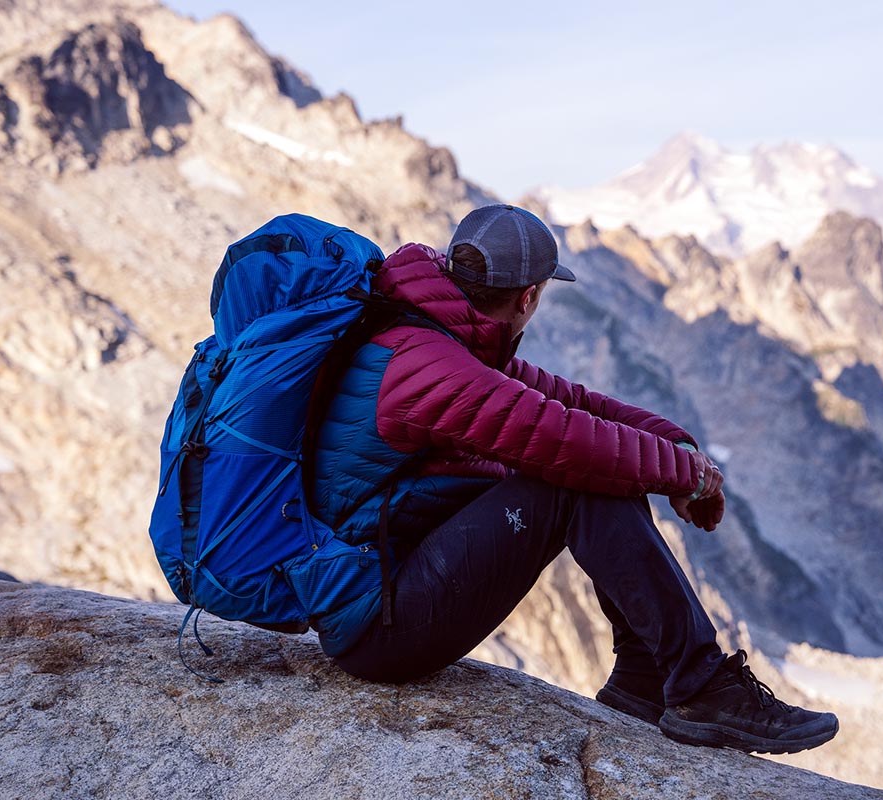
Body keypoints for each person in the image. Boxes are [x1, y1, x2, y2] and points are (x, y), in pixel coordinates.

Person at [308, 203, 838, 754]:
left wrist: (679, 446)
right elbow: (565, 438)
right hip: (378, 624)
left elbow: (573, 402)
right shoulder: (430, 366)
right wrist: (688, 476)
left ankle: (645, 679)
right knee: (573, 475)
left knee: (595, 465)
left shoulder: (435, 336)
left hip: (386, 586)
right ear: (529, 298)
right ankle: (701, 685)